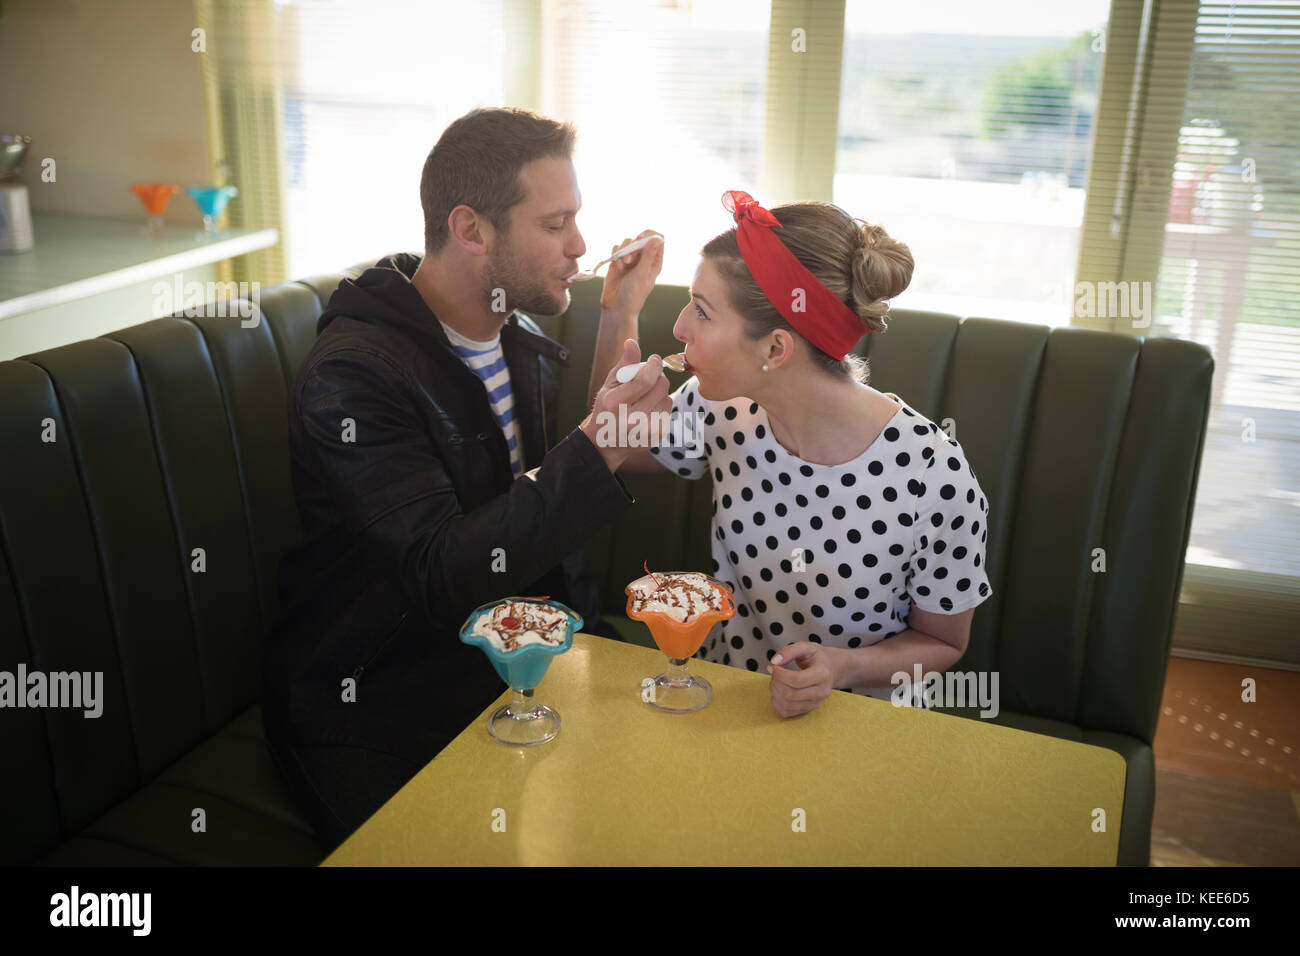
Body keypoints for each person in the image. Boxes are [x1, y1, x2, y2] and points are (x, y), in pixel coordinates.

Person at [263, 107, 671, 851]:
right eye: (556, 225)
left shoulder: (517, 339)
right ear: (471, 229)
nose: (580, 245)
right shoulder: (354, 375)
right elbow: (442, 571)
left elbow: (536, 498)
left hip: (520, 662)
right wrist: (602, 446)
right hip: (381, 695)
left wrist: (619, 315)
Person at [608, 190, 994, 717]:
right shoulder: (722, 407)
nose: (679, 328)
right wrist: (618, 311)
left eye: (701, 311)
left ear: (775, 350)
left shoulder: (934, 476)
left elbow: (946, 642)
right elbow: (616, 448)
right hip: (727, 702)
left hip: (859, 727)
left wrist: (840, 668)